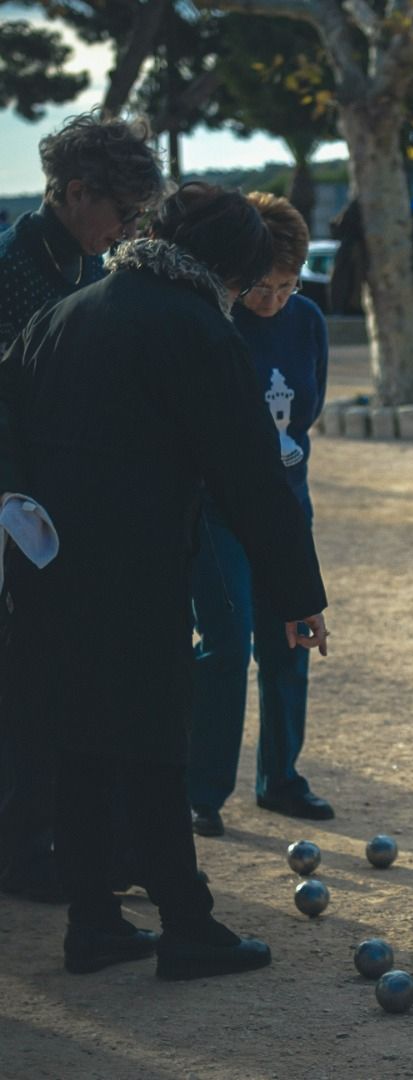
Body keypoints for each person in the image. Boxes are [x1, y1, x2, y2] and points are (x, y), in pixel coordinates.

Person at [0, 182, 329, 979]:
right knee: (154, 745)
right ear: (227, 267)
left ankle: (93, 923)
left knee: (80, 744)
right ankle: (187, 926)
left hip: (49, 564)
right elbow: (251, 475)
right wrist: (298, 596)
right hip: (138, 566)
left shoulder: (70, 311)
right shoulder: (196, 329)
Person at [0, 111, 165, 903]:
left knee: (70, 681)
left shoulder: (89, 265)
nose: (129, 230)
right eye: (122, 212)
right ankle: (25, 850)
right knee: (30, 686)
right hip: (20, 512)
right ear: (72, 192)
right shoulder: (12, 268)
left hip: (68, 502)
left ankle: (74, 837)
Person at [188, 192, 331, 837]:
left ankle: (280, 778)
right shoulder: (211, 323)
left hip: (285, 506)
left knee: (290, 641)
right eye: (261, 287)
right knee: (226, 643)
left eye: (287, 285)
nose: (273, 299)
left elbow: (306, 411)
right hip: (217, 511)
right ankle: (201, 790)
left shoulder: (307, 321)